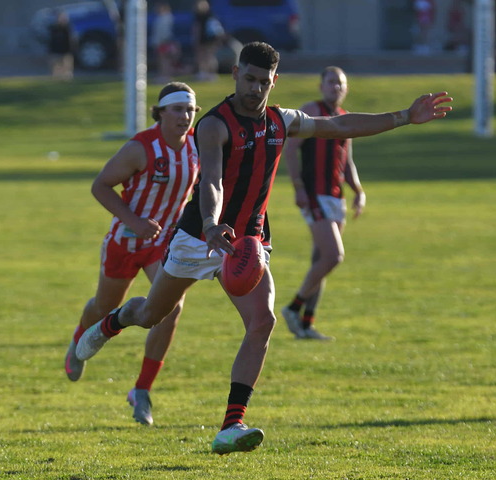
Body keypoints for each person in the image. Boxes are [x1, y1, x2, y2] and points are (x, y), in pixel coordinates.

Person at [75, 42, 452, 454]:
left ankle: (231, 425)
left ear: (275, 81)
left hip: (247, 243)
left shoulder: (281, 121)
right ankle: (114, 322)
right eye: (249, 79)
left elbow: (339, 126)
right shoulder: (213, 124)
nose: (255, 88)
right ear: (236, 74)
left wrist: (403, 117)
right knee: (151, 315)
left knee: (263, 321)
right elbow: (212, 181)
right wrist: (210, 223)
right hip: (199, 235)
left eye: (263, 82)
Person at [64, 82, 201, 426]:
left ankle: (141, 390)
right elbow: (100, 185)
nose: (185, 116)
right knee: (103, 307)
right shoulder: (140, 148)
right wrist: (135, 221)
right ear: (160, 112)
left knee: (171, 308)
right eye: (178, 109)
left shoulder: (198, 144)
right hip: (125, 241)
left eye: (190, 110)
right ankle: (79, 339)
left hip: (163, 242)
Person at [281, 66, 363, 341]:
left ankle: (306, 324)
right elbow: (290, 150)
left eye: (340, 83)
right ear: (321, 86)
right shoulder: (311, 110)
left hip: (336, 196)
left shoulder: (344, 117)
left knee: (321, 261)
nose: (336, 87)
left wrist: (358, 191)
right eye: (331, 82)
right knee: (333, 256)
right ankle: (293, 308)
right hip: (314, 194)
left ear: (346, 88)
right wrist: (298, 187)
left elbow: (347, 161)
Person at [192, 0, 224, 81]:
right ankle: (211, 74)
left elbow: (197, 30)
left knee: (203, 57)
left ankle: (204, 73)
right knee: (210, 57)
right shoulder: (211, 15)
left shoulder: (199, 17)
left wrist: (196, 40)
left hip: (203, 40)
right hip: (212, 39)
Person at [151, 2, 179, 83]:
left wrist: (162, 41)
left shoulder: (166, 18)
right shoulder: (162, 17)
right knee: (162, 60)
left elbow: (165, 32)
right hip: (161, 42)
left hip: (164, 42)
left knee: (164, 60)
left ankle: (165, 76)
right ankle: (163, 75)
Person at [48, 11, 74, 80]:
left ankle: (66, 77)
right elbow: (51, 41)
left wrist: (71, 50)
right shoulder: (54, 29)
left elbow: (70, 41)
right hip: (56, 51)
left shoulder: (68, 29)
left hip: (66, 51)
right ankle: (57, 77)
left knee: (66, 67)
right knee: (56, 66)